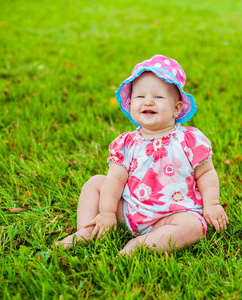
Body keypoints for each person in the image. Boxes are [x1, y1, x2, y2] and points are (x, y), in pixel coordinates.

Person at [55, 54, 228, 254]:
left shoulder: (189, 140)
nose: (148, 102)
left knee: (193, 226)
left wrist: (212, 204)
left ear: (176, 108)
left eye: (158, 97)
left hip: (172, 215)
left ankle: (141, 245)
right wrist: (107, 212)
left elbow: (205, 173)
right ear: (130, 105)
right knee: (95, 183)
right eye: (140, 96)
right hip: (130, 210)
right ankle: (87, 229)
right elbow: (115, 180)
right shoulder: (126, 143)